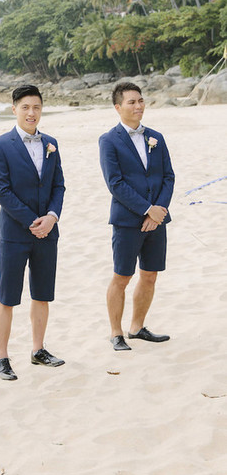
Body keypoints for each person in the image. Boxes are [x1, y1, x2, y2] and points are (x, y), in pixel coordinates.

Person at [0, 84, 65, 381]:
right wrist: (34, 221)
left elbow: (58, 185)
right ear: (14, 110)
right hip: (15, 231)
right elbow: (1, 191)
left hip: (48, 230)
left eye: (36, 107)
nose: (31, 113)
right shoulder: (0, 145)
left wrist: (52, 218)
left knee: (42, 293)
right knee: (7, 296)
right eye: (25, 108)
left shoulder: (52, 144)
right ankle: (1, 357)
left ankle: (38, 350)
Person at [99, 82, 175, 352]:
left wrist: (159, 211)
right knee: (122, 276)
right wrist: (146, 209)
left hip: (157, 219)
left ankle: (137, 327)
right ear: (118, 107)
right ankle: (116, 332)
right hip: (127, 220)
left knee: (150, 275)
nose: (138, 106)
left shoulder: (156, 137)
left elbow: (168, 176)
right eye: (131, 102)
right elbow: (115, 183)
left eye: (141, 100)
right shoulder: (109, 140)